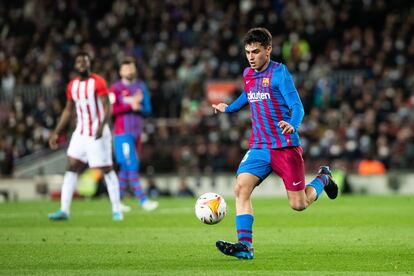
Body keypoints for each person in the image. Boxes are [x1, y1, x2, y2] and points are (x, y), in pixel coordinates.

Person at [212, 28, 338, 260]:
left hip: (284, 147)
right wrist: (228, 108)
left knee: (298, 204)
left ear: (268, 50)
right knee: (241, 188)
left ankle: (324, 178)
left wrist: (293, 124)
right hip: (259, 146)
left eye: (256, 51)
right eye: (248, 52)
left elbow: (297, 106)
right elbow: (247, 95)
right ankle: (245, 245)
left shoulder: (280, 73)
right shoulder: (248, 74)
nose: (251, 56)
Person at [48, 52, 123, 221]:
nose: (81, 64)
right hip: (80, 133)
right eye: (78, 61)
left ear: (89, 64)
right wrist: (56, 132)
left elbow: (107, 106)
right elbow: (68, 110)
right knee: (72, 166)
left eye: (84, 61)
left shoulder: (98, 82)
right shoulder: (72, 86)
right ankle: (64, 210)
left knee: (106, 169)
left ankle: (117, 210)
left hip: (97, 133)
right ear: (75, 66)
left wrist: (102, 126)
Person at [110, 57, 158, 211]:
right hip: (122, 133)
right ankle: (143, 201)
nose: (129, 71)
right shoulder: (115, 88)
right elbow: (112, 110)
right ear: (120, 71)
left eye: (131, 68)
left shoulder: (140, 86)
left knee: (125, 168)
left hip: (137, 132)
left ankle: (118, 202)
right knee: (132, 165)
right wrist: (130, 105)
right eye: (126, 69)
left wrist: (139, 108)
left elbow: (148, 109)